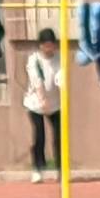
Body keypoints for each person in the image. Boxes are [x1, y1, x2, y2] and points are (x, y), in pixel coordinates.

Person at [23, 21, 68, 174]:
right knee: (40, 135)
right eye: (46, 45)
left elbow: (60, 78)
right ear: (41, 45)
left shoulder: (59, 58)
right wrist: (43, 101)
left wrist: (62, 93)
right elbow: (37, 81)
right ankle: (37, 168)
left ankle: (61, 168)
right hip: (36, 104)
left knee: (59, 136)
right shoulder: (34, 60)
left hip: (55, 104)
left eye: (52, 45)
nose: (50, 49)